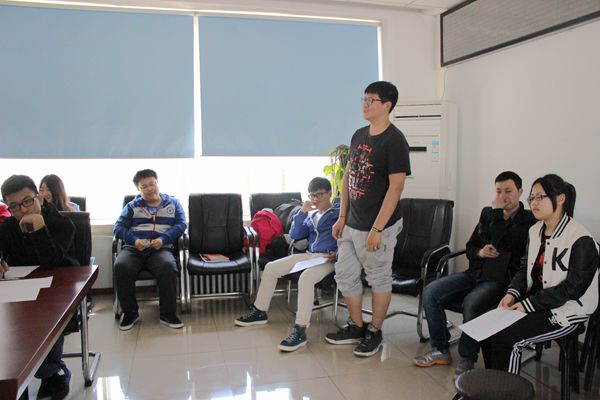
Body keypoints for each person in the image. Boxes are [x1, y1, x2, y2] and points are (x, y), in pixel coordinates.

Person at [413, 171, 536, 376]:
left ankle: (468, 357)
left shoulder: (529, 220)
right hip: (475, 273)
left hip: (500, 281)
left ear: (520, 192)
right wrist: (480, 252)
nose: (502, 196)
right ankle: (440, 349)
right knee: (430, 291)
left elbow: (501, 242)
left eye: (508, 191)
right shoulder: (487, 213)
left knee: (472, 302)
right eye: (498, 191)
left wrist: (497, 213)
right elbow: (471, 246)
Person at [325, 81, 411, 357]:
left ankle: (375, 330)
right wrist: (341, 215)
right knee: (345, 274)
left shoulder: (395, 141)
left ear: (387, 105)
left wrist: (377, 228)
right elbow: (348, 177)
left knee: (378, 278)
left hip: (377, 226)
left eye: (371, 100)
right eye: (363, 98)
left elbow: (396, 189)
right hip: (351, 223)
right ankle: (357, 326)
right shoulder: (359, 135)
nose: (365, 104)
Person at [487, 174, 599, 374]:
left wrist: (528, 305)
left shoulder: (581, 239)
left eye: (540, 197)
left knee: (508, 337)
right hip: (539, 302)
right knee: (490, 327)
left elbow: (573, 289)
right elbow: (525, 268)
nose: (534, 203)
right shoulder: (535, 230)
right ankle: (492, 384)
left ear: (561, 198)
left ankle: (505, 388)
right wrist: (511, 294)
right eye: (532, 198)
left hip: (568, 309)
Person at [235, 177, 339, 352]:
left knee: (305, 279)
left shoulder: (337, 214)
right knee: (271, 268)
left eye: (319, 195)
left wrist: (338, 253)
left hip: (329, 259)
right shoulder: (312, 215)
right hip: (310, 255)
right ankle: (260, 311)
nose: (315, 199)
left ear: (330, 194)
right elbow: (296, 234)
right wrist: (302, 213)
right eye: (312, 195)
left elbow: (346, 238)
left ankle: (300, 330)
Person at [0, 174, 78, 400]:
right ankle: (12, 377)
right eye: (14, 206)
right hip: (20, 290)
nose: (23, 210)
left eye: (27, 201)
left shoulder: (63, 223)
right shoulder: (8, 227)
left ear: (40, 198)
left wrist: (39, 228)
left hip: (58, 291)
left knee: (46, 317)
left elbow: (51, 262)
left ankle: (52, 373)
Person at [113, 169, 186, 331]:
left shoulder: (173, 203)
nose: (149, 189)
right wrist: (134, 240)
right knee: (121, 266)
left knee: (168, 266)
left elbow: (181, 224)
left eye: (152, 184)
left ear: (157, 183)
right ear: (138, 189)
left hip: (161, 248)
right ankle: (130, 313)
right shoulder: (132, 206)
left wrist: (163, 239)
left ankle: (168, 314)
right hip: (134, 249)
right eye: (144, 187)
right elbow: (118, 228)